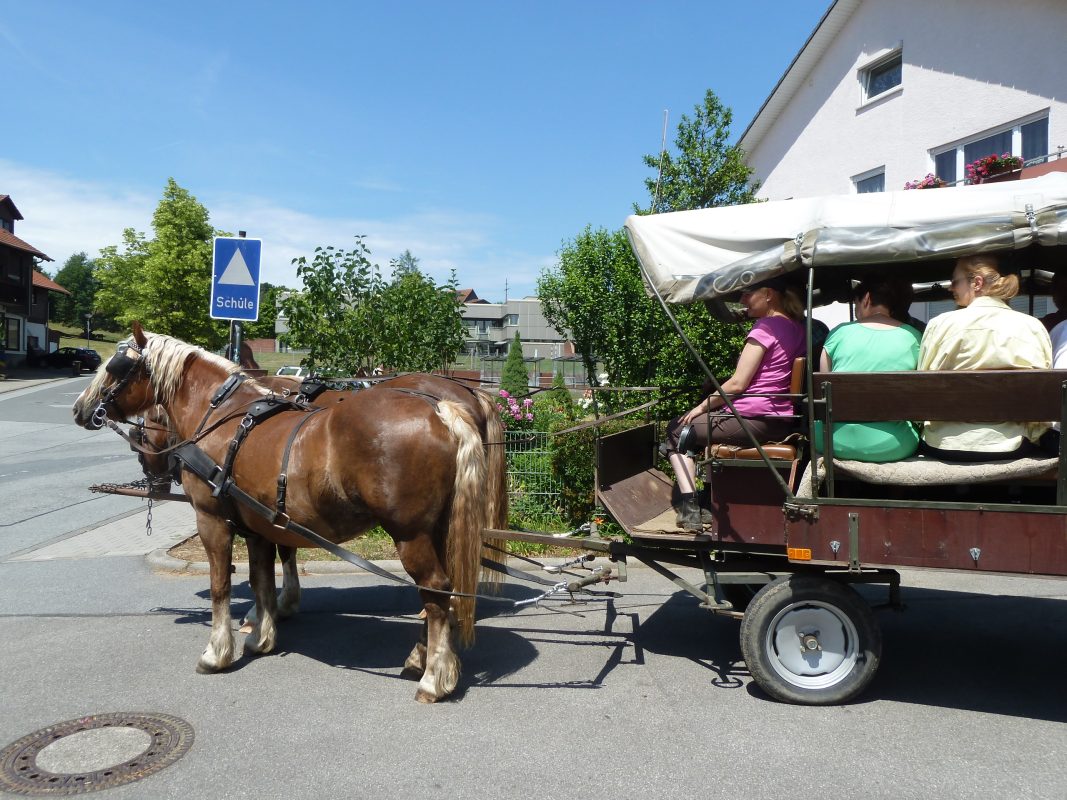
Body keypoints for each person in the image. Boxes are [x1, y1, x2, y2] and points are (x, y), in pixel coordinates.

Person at [664, 276, 805, 531]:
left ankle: (690, 509)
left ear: (769, 294)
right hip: (779, 421)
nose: (742, 299)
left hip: (752, 419)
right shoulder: (797, 328)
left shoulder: (765, 327)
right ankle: (707, 497)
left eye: (747, 293)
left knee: (676, 430)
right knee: (698, 430)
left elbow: (738, 384)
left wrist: (701, 406)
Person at [918, 254, 1052, 460]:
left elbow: (923, 382)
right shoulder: (1032, 326)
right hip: (1011, 444)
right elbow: (1042, 398)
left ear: (977, 282)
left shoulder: (940, 324)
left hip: (944, 443)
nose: (950, 288)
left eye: (955, 281)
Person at [815, 276, 922, 462]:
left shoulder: (838, 333)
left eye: (856, 305)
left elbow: (824, 385)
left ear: (866, 299)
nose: (856, 311)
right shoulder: (914, 336)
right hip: (893, 444)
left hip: (833, 440)